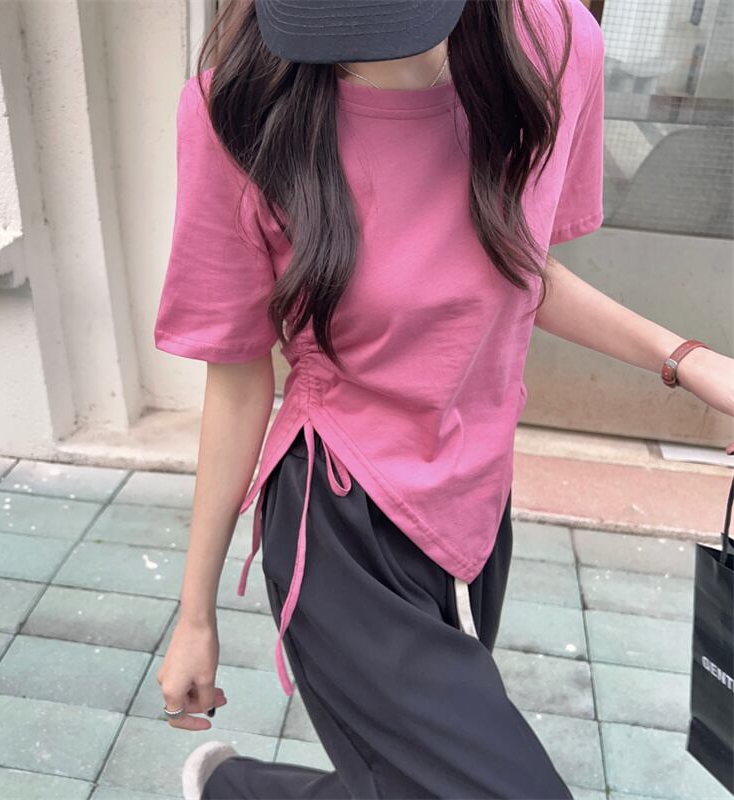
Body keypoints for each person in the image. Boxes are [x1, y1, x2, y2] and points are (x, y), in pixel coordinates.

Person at [152, 1, 734, 798]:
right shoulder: (237, 110)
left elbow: (515, 267)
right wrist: (195, 615)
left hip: (473, 504)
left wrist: (687, 360)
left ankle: (239, 790)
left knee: (418, 779)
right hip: (336, 520)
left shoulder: (557, 46)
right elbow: (238, 374)